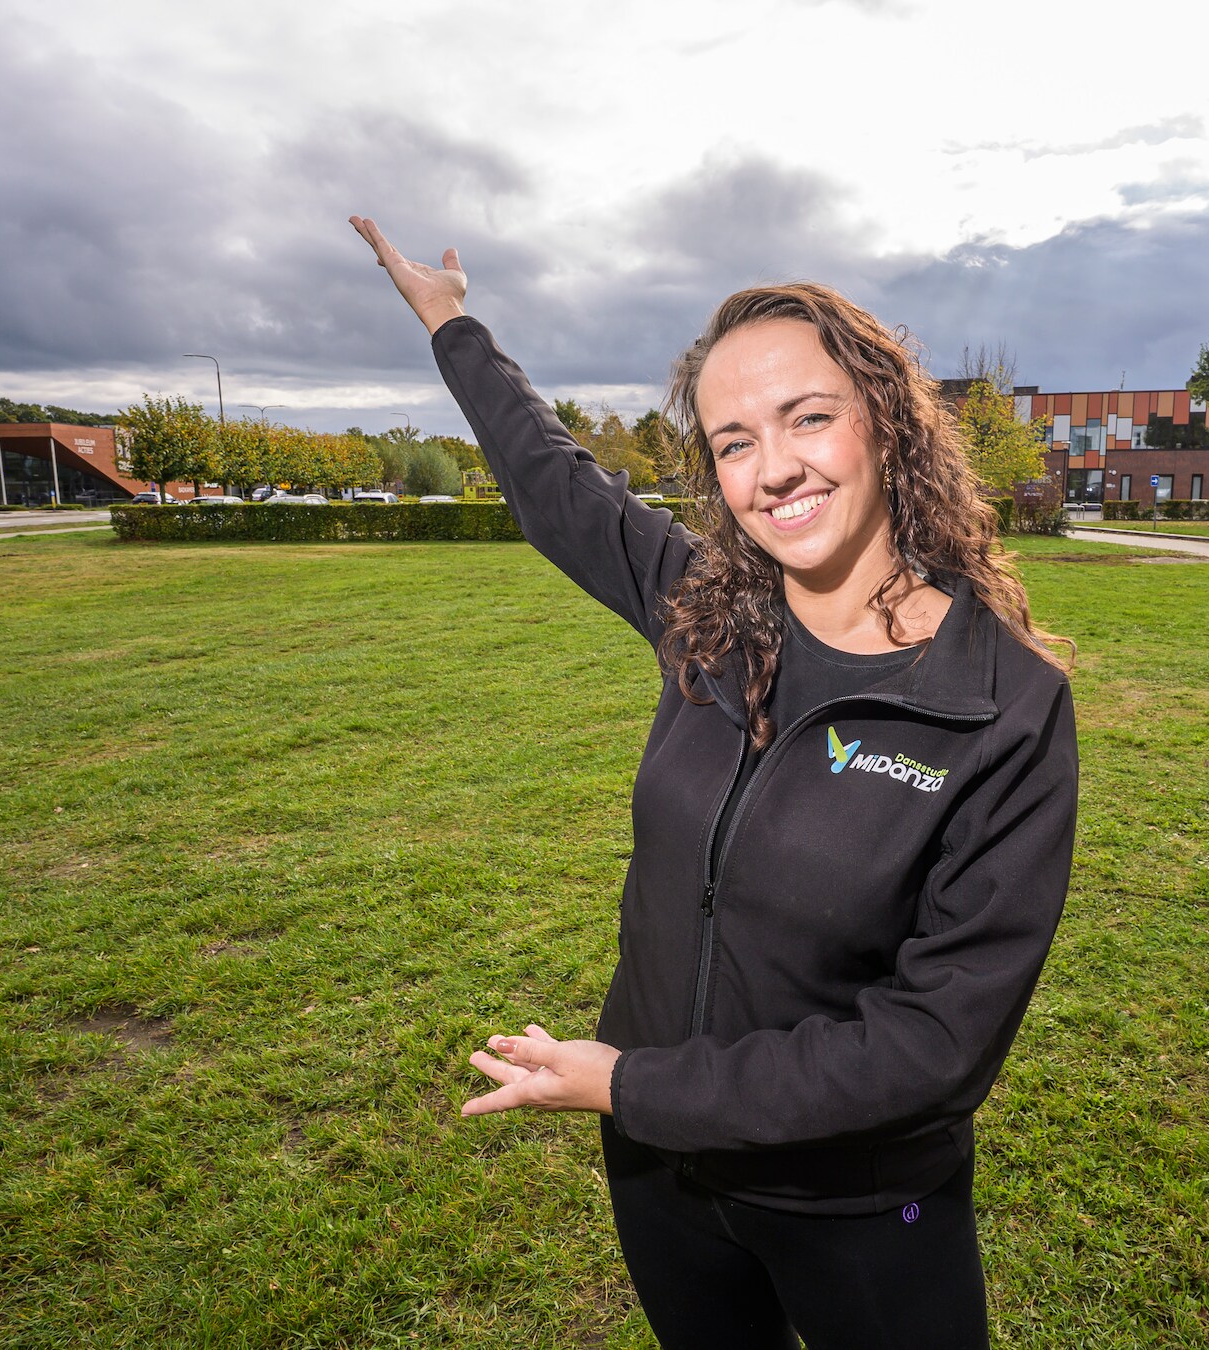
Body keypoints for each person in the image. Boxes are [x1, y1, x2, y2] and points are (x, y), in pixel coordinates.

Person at [351, 216, 1078, 1349]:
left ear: (885, 425)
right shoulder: (708, 613)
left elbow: (931, 1048)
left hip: (858, 1207)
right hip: (664, 1183)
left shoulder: (1003, 705)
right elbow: (556, 485)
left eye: (809, 419)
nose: (773, 468)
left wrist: (631, 1087)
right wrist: (452, 321)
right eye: (734, 441)